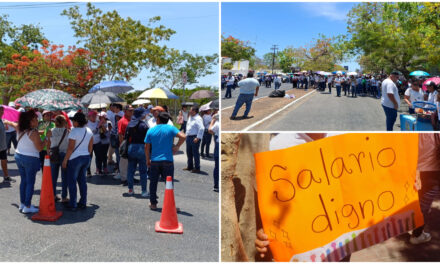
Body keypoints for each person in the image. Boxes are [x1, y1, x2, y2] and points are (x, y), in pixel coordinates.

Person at [145, 111, 186, 210]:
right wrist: (177, 146)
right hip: (167, 160)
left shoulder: (151, 130)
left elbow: (146, 147)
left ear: (158, 119)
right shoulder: (170, 128)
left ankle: (153, 204)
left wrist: (147, 160)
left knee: (153, 183)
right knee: (169, 184)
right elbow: (183, 136)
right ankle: (171, 205)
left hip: (154, 160)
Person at [410, 133, 440, 244]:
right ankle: (417, 235)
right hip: (432, 170)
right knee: (424, 206)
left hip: (415, 168)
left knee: (418, 201)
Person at [12, 110, 44, 213]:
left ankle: (23, 204)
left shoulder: (21, 129)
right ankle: (27, 206)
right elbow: (40, 148)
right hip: (30, 158)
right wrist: (46, 140)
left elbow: (12, 124)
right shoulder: (33, 132)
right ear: (30, 121)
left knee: (24, 181)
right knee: (30, 182)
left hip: (19, 156)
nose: (38, 121)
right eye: (35, 119)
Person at [62, 112, 93, 211]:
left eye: (73, 120)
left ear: (77, 122)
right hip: (86, 157)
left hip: (75, 158)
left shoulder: (74, 132)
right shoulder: (89, 130)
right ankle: (83, 202)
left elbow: (70, 148)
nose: (72, 122)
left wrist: (65, 160)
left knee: (72, 181)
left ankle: (73, 203)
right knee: (82, 181)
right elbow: (90, 148)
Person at [125, 107, 149, 197]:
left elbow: (126, 137)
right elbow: (148, 138)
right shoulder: (144, 125)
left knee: (130, 170)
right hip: (142, 148)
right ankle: (143, 191)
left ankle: (130, 190)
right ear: (141, 115)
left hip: (131, 147)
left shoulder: (130, 124)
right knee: (143, 171)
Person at [47, 115, 70, 203]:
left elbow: (48, 143)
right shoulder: (67, 131)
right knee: (64, 176)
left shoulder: (51, 131)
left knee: (53, 176)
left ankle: (53, 195)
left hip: (53, 154)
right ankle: (64, 196)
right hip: (64, 154)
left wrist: (48, 150)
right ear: (64, 122)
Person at [183, 106, 204, 173]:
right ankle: (190, 166)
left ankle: (197, 168)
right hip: (189, 137)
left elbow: (201, 128)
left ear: (194, 111)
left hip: (194, 137)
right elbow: (188, 127)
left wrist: (198, 137)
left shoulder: (198, 118)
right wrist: (186, 135)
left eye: (191, 110)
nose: (189, 111)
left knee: (195, 153)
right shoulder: (190, 117)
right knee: (189, 152)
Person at [117, 105, 134, 185]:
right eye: (130, 110)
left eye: (132, 110)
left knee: (131, 162)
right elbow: (120, 134)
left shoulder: (132, 119)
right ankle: (124, 178)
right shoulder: (122, 121)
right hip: (125, 144)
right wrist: (122, 145)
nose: (131, 112)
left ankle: (130, 176)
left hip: (132, 143)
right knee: (124, 162)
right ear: (125, 111)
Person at [86, 110, 103, 176]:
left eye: (95, 116)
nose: (94, 117)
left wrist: (102, 124)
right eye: (92, 116)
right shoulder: (87, 123)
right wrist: (98, 126)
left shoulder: (98, 122)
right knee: (89, 157)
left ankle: (99, 169)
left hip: (98, 142)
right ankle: (88, 171)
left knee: (99, 157)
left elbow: (102, 131)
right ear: (89, 116)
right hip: (89, 143)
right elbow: (92, 132)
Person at [0, 106, 14, 183]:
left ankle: (6, 176)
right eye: (0, 110)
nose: (2, 112)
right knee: (4, 161)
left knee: (4, 161)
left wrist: (5, 126)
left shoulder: (1, 120)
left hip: (3, 146)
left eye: (2, 110)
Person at [208, 111, 219, 192]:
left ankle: (216, 185)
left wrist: (213, 120)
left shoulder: (218, 123)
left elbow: (210, 130)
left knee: (217, 166)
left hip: (219, 144)